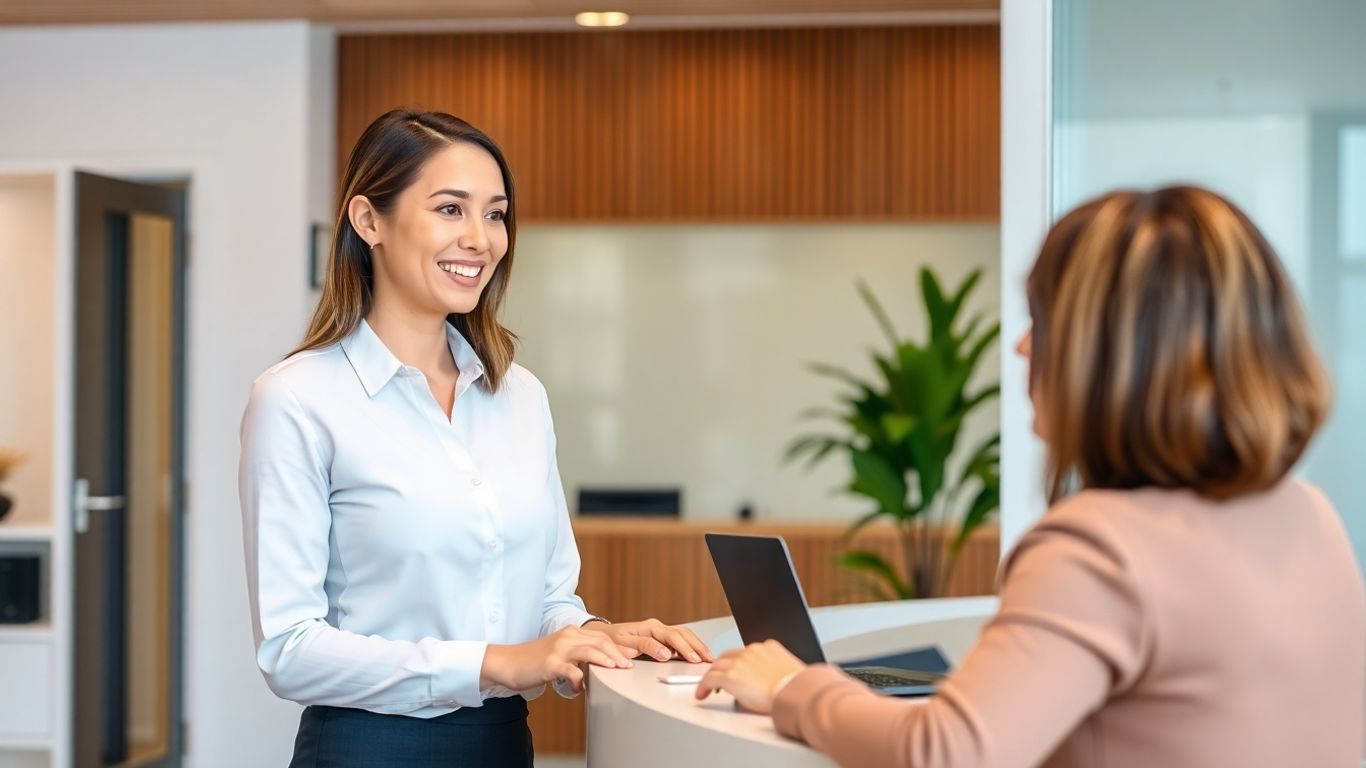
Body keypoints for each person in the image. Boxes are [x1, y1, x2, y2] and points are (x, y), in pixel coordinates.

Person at [696, 185, 1366, 767]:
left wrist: (793, 688)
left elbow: (946, 751)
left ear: (1110, 357)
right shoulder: (1309, 515)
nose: (1020, 345)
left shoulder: (1100, 547)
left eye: (1042, 321)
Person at [239, 108, 712, 767]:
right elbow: (289, 650)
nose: (481, 239)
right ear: (368, 220)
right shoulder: (297, 398)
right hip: (369, 748)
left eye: (495, 214)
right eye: (450, 209)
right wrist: (499, 662)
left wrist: (593, 636)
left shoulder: (520, 395)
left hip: (502, 743)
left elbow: (549, 595)